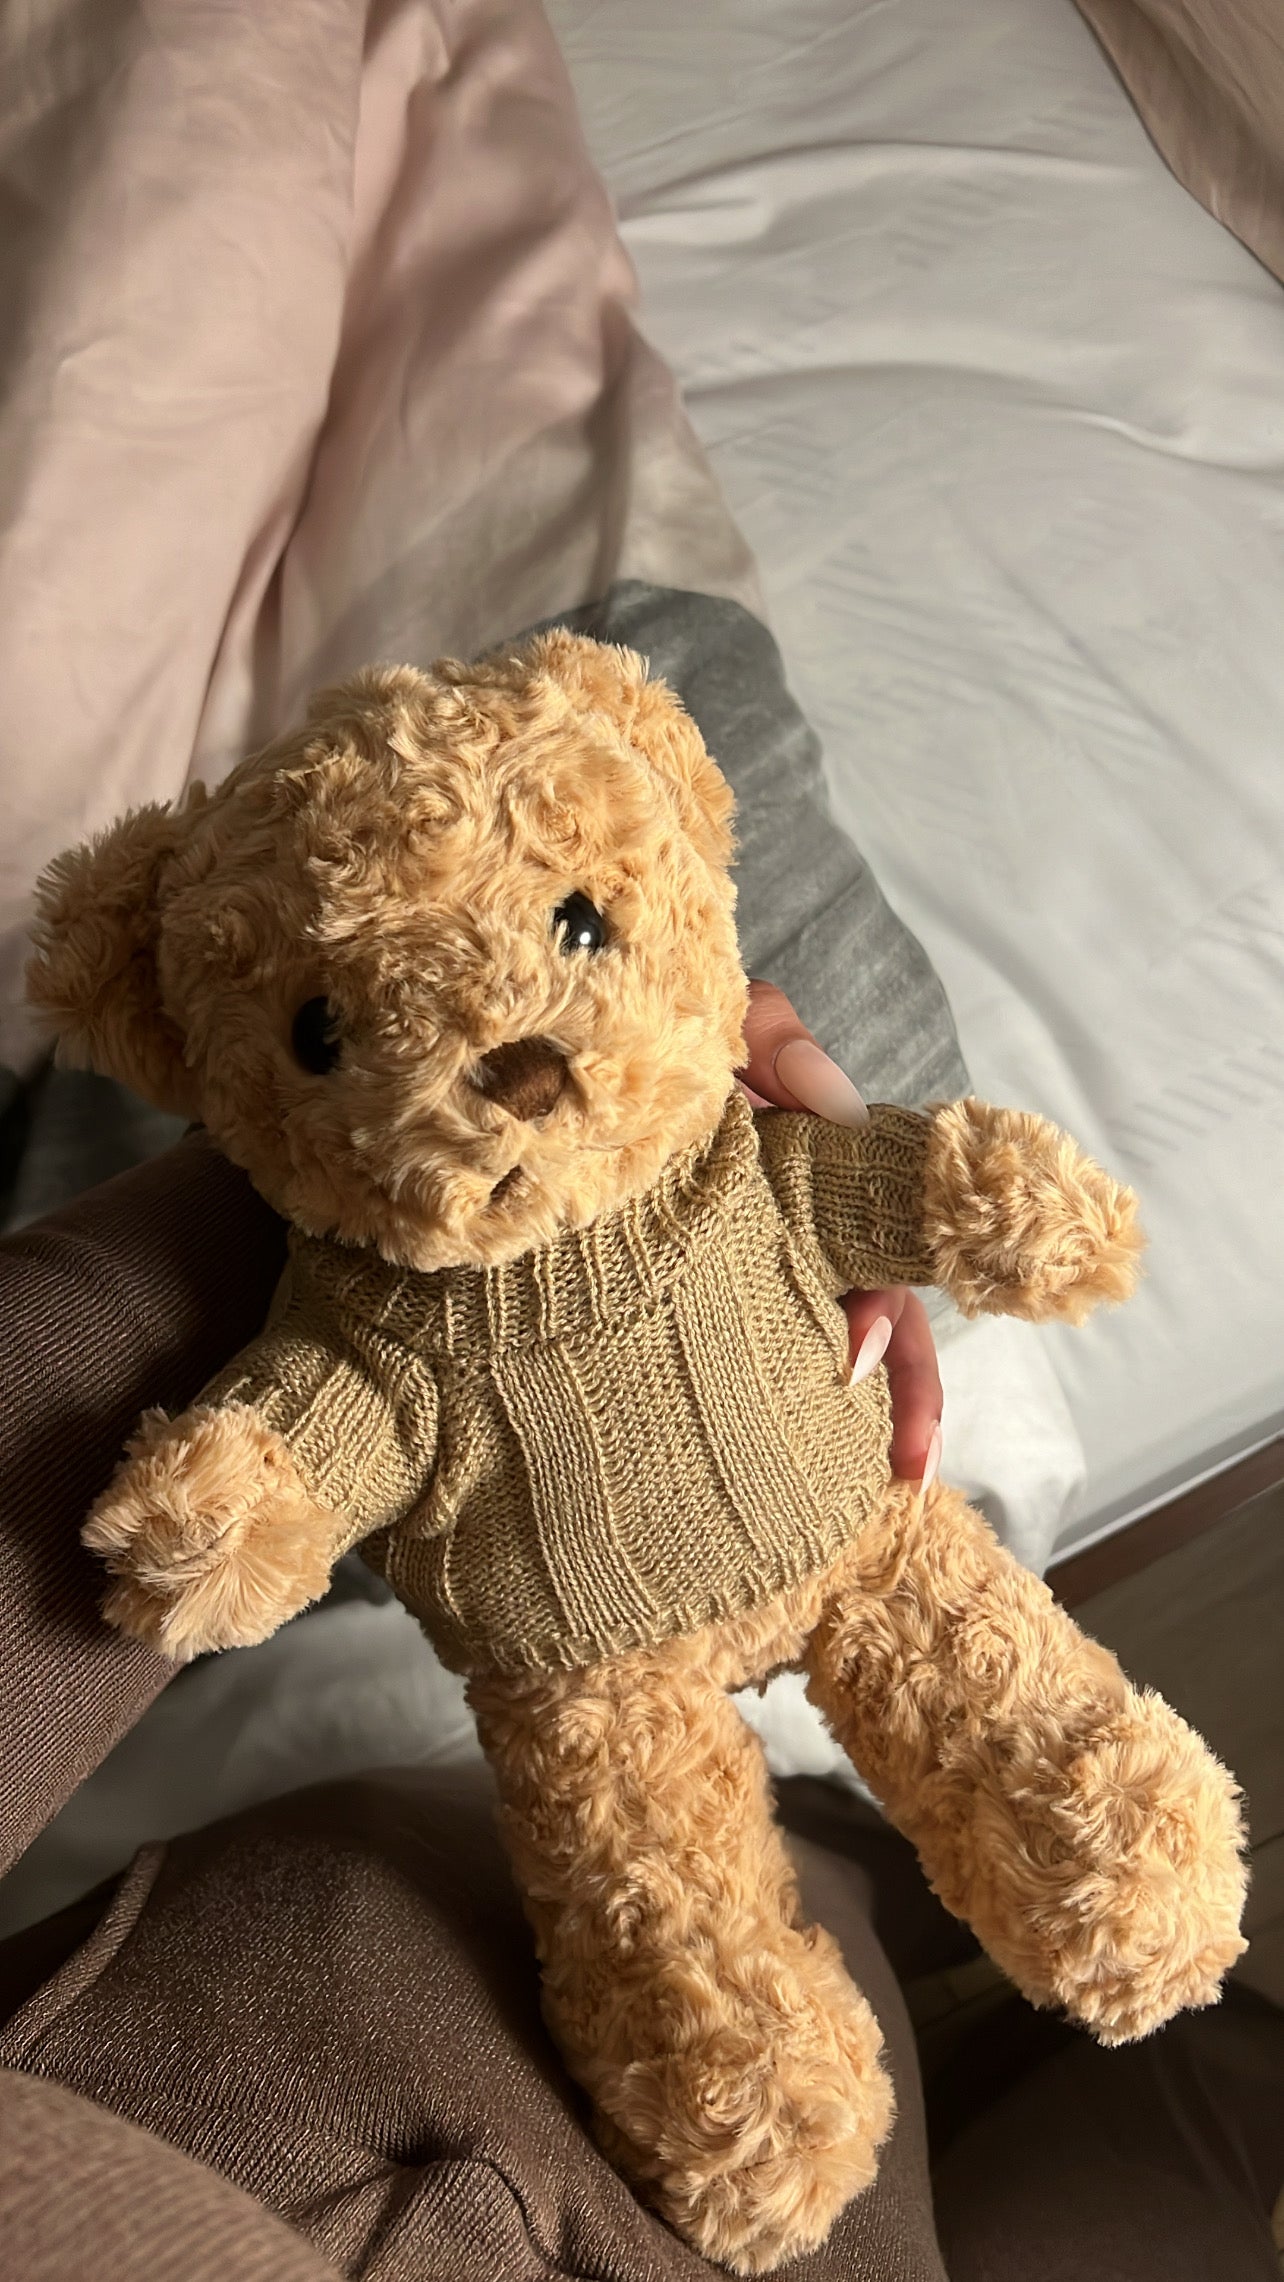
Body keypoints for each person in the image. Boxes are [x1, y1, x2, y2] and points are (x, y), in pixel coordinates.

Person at [2, 982, 1282, 2282]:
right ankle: (944, 1927)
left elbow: (935, 1183)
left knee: (1096, 1919)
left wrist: (950, 1182)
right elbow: (293, 1452)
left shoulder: (723, 1147)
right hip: (588, 1673)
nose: (502, 1074)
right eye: (329, 1028)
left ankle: (984, 1916)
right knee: (1134, 2104)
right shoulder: (363, 1322)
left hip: (831, 1532)